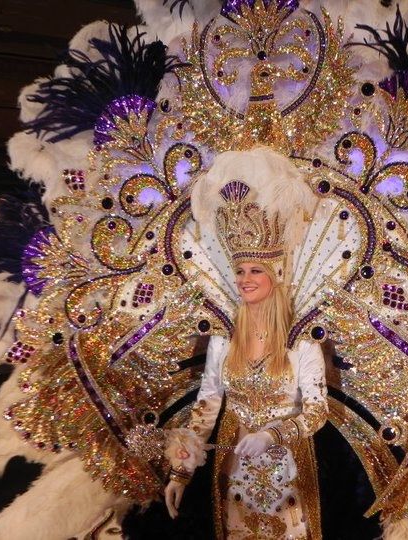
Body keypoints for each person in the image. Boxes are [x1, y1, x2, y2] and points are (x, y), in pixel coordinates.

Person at [162, 180, 328, 539]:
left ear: (275, 275)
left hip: (288, 469)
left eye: (255, 271)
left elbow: (317, 411)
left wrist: (273, 434)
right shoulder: (223, 340)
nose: (244, 280)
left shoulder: (300, 342)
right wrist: (181, 471)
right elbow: (207, 404)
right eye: (240, 271)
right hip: (233, 466)